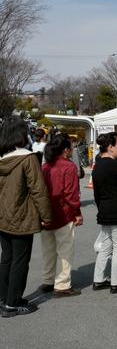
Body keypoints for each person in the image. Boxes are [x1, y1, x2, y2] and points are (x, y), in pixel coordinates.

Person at [0, 117, 51, 317]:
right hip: (21, 216)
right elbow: (38, 190)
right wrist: (46, 216)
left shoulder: (2, 158)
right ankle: (13, 303)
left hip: (2, 216)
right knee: (20, 260)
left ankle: (4, 298)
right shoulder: (27, 158)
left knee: (7, 258)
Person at [40, 135, 83, 297]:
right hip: (64, 213)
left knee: (48, 250)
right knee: (65, 250)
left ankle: (48, 279)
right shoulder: (69, 167)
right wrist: (77, 213)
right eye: (70, 147)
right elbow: (71, 194)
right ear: (66, 150)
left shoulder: (45, 167)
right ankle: (62, 284)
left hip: (45, 213)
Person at [92, 132, 117, 294]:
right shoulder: (116, 165)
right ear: (110, 147)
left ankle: (99, 279)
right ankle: (116, 282)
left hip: (104, 210)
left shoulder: (98, 164)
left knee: (106, 247)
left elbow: (96, 192)